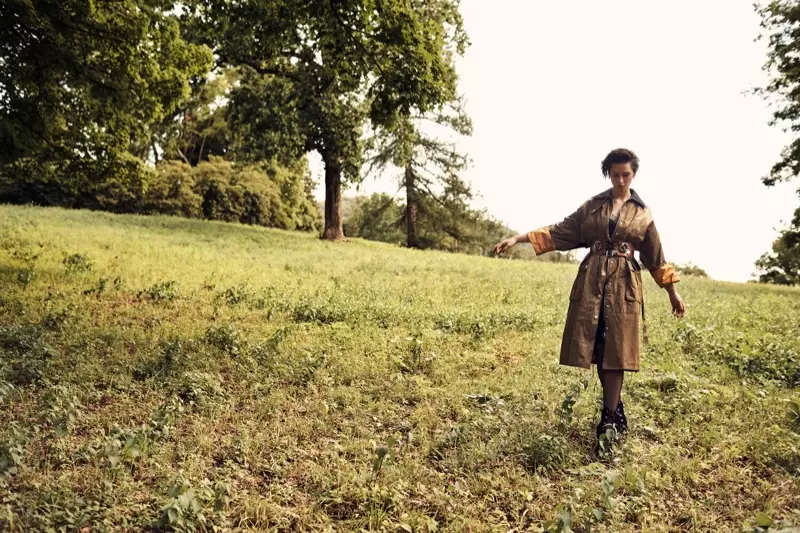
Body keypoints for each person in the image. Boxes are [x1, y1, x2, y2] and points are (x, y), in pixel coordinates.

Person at [492, 148, 685, 445]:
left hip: (624, 284)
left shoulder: (643, 214)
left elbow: (656, 259)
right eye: (615, 174)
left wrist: (673, 293)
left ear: (633, 174)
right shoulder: (592, 207)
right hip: (592, 280)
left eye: (626, 175)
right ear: (608, 173)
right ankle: (613, 408)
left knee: (617, 349)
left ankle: (609, 416)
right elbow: (560, 231)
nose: (621, 180)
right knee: (598, 345)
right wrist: (517, 238)